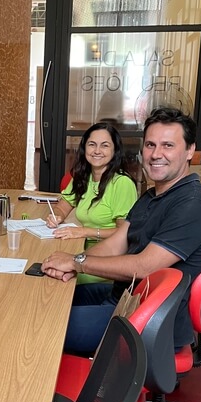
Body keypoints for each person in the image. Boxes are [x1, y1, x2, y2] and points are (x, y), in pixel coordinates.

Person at [42, 107, 201, 354]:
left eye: (168, 145)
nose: (156, 154)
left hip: (146, 317)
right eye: (150, 145)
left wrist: (77, 263)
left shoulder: (193, 204)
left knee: (43, 324)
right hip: (123, 296)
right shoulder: (152, 196)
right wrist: (73, 262)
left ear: (190, 150)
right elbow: (117, 243)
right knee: (43, 300)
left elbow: (144, 266)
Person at [44, 121, 138, 283]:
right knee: (48, 267)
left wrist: (84, 231)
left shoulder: (122, 183)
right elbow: (62, 207)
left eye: (105, 146)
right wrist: (56, 216)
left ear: (115, 150)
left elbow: (124, 234)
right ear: (84, 148)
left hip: (105, 263)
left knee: (53, 278)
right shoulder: (83, 176)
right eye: (92, 144)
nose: (97, 151)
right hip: (81, 252)